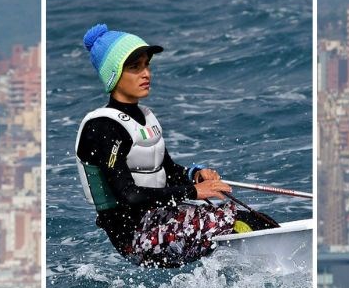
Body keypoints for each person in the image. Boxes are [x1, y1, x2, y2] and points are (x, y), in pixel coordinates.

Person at [75, 24, 238, 267]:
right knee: (232, 222)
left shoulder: (145, 117)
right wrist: (195, 192)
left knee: (244, 218)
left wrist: (195, 175)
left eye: (146, 64)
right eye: (134, 67)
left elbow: (168, 171)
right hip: (135, 237)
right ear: (113, 75)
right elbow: (129, 195)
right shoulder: (103, 128)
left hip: (161, 219)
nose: (146, 73)